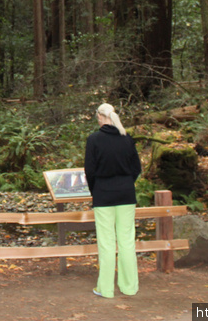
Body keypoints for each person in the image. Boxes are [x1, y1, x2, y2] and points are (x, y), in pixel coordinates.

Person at [84, 103, 142, 298]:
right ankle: (130, 287)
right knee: (127, 241)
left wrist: (96, 190)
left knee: (106, 243)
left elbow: (90, 171)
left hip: (103, 195)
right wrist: (126, 183)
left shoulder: (94, 140)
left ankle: (106, 289)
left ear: (101, 117)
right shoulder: (127, 139)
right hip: (126, 194)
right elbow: (136, 169)